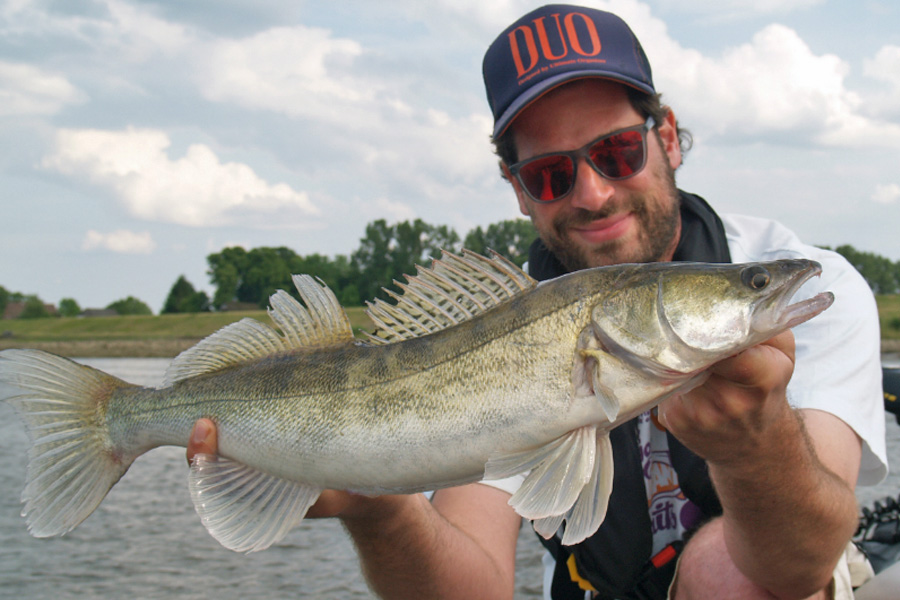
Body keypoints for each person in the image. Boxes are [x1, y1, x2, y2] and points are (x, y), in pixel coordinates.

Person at [187, 5, 887, 598]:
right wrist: (377, 508)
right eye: (550, 174)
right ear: (517, 189)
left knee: (723, 575)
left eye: (617, 151)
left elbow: (796, 570)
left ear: (667, 137)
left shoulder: (818, 283)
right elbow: (478, 584)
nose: (593, 193)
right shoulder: (502, 325)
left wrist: (759, 448)